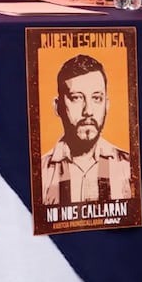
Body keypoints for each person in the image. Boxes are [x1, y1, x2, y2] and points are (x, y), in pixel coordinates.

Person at [41, 54, 131, 205]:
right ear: (58, 107)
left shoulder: (129, 167)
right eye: (76, 97)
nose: (88, 111)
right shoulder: (39, 173)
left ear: (106, 105)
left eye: (97, 98)